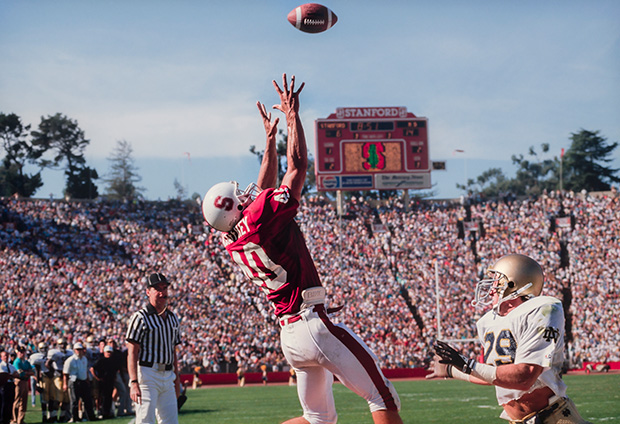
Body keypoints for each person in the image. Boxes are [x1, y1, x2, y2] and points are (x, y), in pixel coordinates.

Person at [201, 74, 403, 424]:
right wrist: (293, 118)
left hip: (290, 335)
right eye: (241, 196)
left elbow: (262, 190)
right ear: (236, 207)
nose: (248, 193)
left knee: (317, 419)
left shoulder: (230, 237)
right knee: (382, 397)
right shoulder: (259, 219)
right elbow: (296, 167)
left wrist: (269, 140)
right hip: (312, 324)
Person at [427, 253, 591, 424]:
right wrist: (452, 371)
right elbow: (495, 374)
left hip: (553, 418)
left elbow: (525, 377)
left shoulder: (542, 309)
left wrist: (467, 365)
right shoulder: (488, 321)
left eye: (496, 282)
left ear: (513, 284)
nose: (491, 289)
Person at [126, 272, 181, 424]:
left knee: (171, 421)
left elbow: (173, 352)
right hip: (147, 374)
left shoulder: (173, 318)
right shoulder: (140, 317)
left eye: (164, 288)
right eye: (157, 289)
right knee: (145, 420)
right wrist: (134, 382)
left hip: (168, 374)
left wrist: (177, 382)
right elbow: (132, 352)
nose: (162, 292)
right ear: (148, 291)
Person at [63, 342, 96, 422]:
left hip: (83, 380)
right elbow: (65, 373)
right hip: (74, 381)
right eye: (77, 350)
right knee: (74, 400)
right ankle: (75, 417)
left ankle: (90, 416)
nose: (79, 351)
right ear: (74, 350)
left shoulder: (84, 359)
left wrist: (87, 380)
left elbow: (85, 371)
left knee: (87, 399)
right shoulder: (70, 360)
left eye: (80, 350)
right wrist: (65, 384)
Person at [90, 346, 119, 420]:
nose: (109, 354)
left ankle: (107, 413)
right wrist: (97, 378)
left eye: (110, 352)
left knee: (108, 397)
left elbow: (115, 371)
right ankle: (101, 412)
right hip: (102, 382)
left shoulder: (113, 361)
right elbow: (92, 369)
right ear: (104, 352)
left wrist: (114, 377)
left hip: (110, 381)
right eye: (107, 352)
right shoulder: (101, 360)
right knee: (101, 397)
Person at [30, 342, 53, 423]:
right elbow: (37, 370)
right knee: (44, 399)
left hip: (51, 378)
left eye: (45, 348)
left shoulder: (50, 355)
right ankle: (44, 416)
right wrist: (37, 383)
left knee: (51, 398)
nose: (44, 350)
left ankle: (51, 416)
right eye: (42, 348)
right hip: (44, 378)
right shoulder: (37, 357)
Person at [12, 346, 35, 424]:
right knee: (17, 400)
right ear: (17, 353)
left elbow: (32, 371)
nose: (22, 354)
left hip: (25, 381)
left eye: (23, 352)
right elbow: (20, 374)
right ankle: (14, 419)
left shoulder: (25, 362)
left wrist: (27, 372)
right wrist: (27, 372)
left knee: (24, 402)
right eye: (21, 352)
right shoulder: (17, 362)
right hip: (19, 381)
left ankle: (20, 419)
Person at [0, 350, 18, 424]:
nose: (6, 357)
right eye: (4, 356)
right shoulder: (1, 366)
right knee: (3, 403)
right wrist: (12, 375)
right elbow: (4, 375)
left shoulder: (11, 366)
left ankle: (8, 419)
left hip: (11, 385)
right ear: (1, 357)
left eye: (7, 355)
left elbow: (16, 374)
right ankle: (2, 419)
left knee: (10, 403)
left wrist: (12, 375)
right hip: (4, 385)